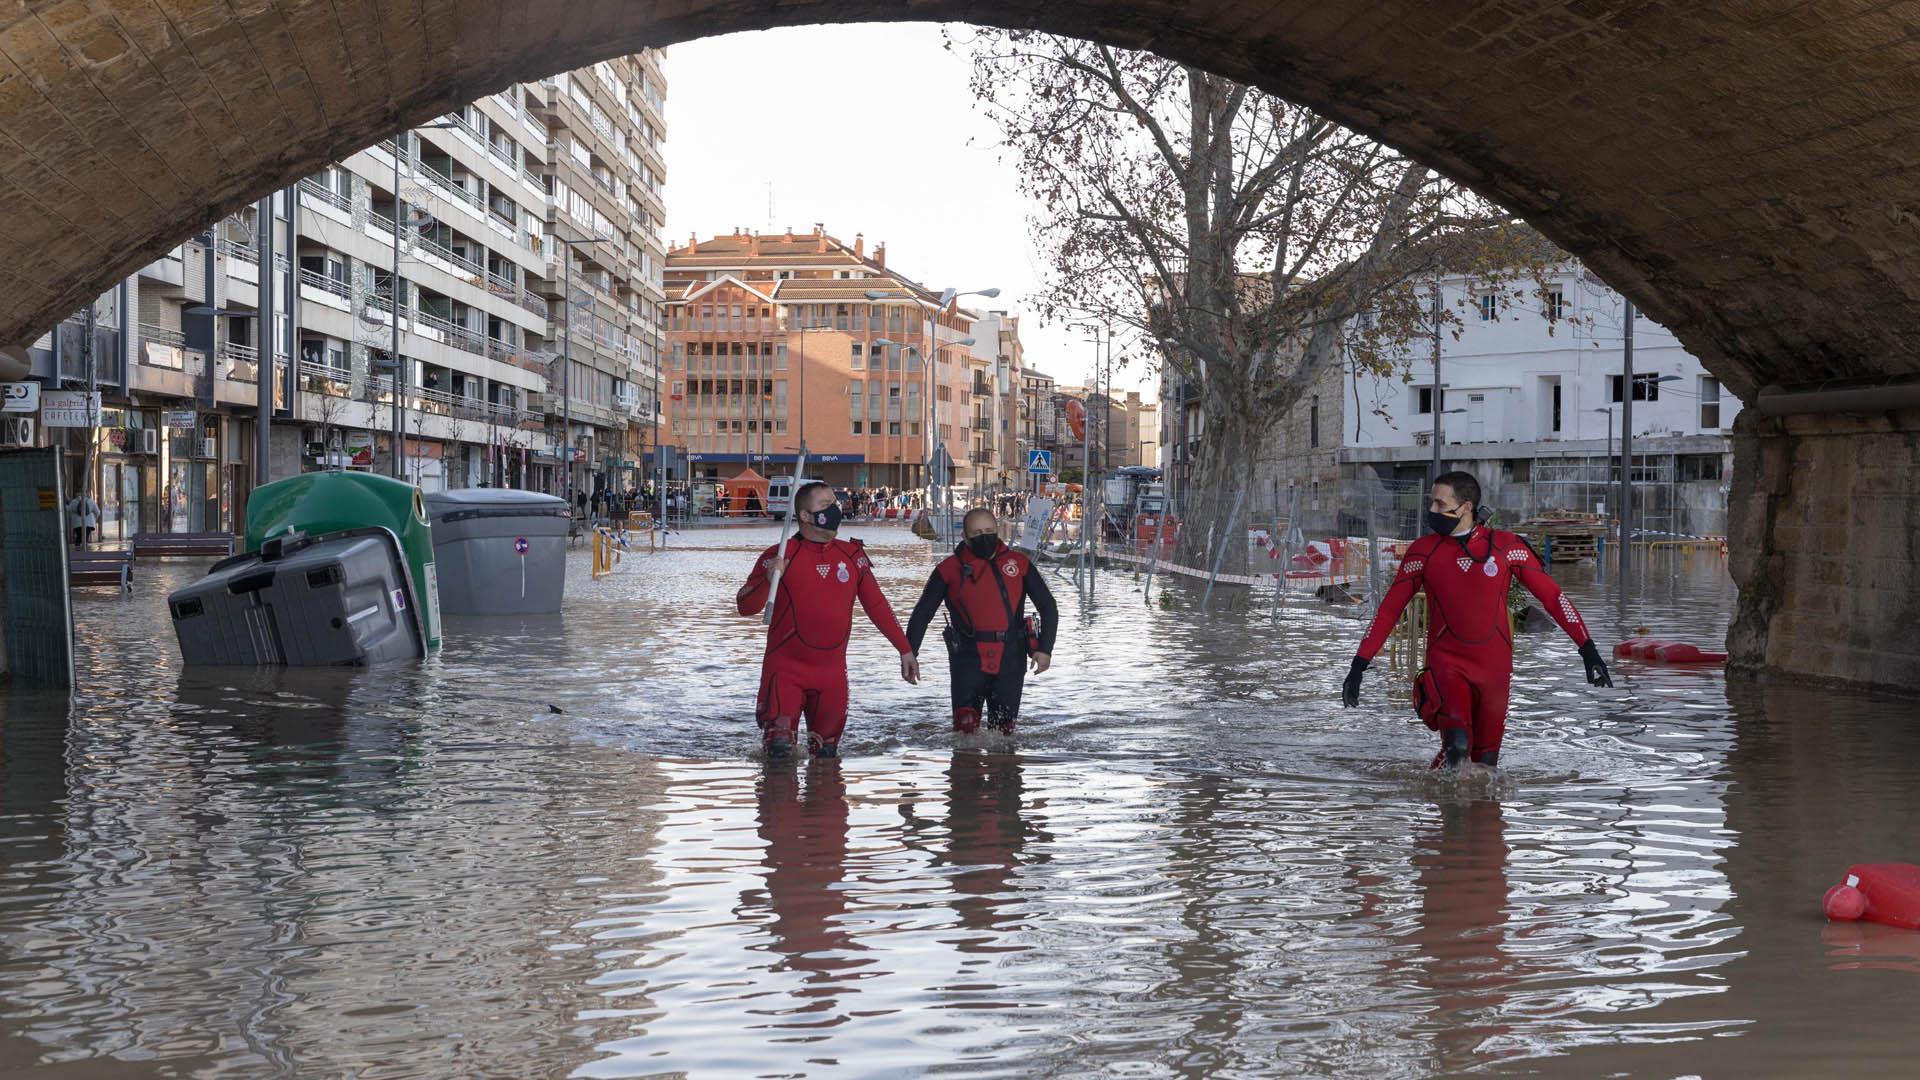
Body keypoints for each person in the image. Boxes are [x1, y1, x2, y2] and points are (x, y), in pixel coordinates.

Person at [1341, 470, 1611, 768]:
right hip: (1446, 664)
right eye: (1431, 503)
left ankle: (1461, 805)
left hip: (1494, 670)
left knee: (1486, 765)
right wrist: (1359, 665)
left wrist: (1587, 649)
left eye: (1440, 505)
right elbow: (1389, 610)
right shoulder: (1423, 552)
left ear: (1466, 507)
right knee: (1457, 747)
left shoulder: (1507, 547)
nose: (1432, 511)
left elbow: (1554, 599)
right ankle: (1438, 806)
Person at [737, 481, 919, 759]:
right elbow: (746, 607)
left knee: (827, 758)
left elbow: (877, 605)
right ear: (805, 516)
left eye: (834, 503)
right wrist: (768, 578)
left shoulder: (852, 555)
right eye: (825, 505)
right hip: (785, 671)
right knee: (779, 751)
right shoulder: (780, 555)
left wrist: (904, 649)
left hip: (832, 676)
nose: (835, 510)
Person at [906, 507, 1059, 736]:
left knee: (1003, 732)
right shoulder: (948, 569)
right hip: (967, 658)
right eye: (976, 533)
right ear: (965, 537)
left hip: (1011, 656)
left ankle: (1004, 768)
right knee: (965, 727)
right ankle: (965, 769)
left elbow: (1048, 607)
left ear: (998, 531)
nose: (984, 536)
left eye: (989, 530)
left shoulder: (1019, 564)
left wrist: (1045, 649)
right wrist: (910, 653)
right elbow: (922, 613)